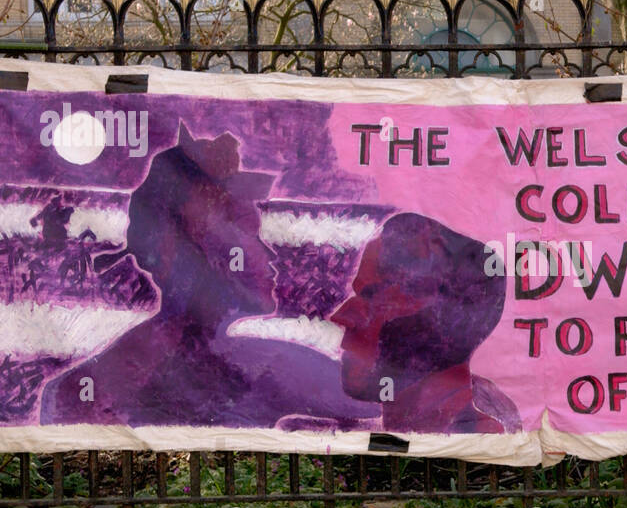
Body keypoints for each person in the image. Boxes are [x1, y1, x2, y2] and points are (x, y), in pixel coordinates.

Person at [40, 124, 379, 429]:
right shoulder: (280, 370)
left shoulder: (75, 387)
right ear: (203, 252)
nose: (271, 255)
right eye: (251, 232)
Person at [331, 212, 521, 434]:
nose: (340, 316)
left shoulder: (488, 437)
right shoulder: (366, 435)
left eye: (373, 294)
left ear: (437, 321)